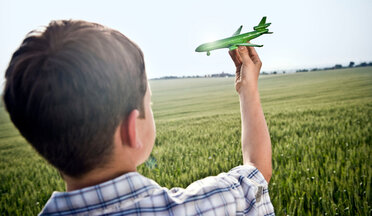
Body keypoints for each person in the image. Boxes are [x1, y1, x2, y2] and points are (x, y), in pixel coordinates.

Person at [3, 20, 274, 215]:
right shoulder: (201, 206)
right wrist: (247, 89)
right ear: (131, 129)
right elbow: (258, 173)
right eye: (150, 102)